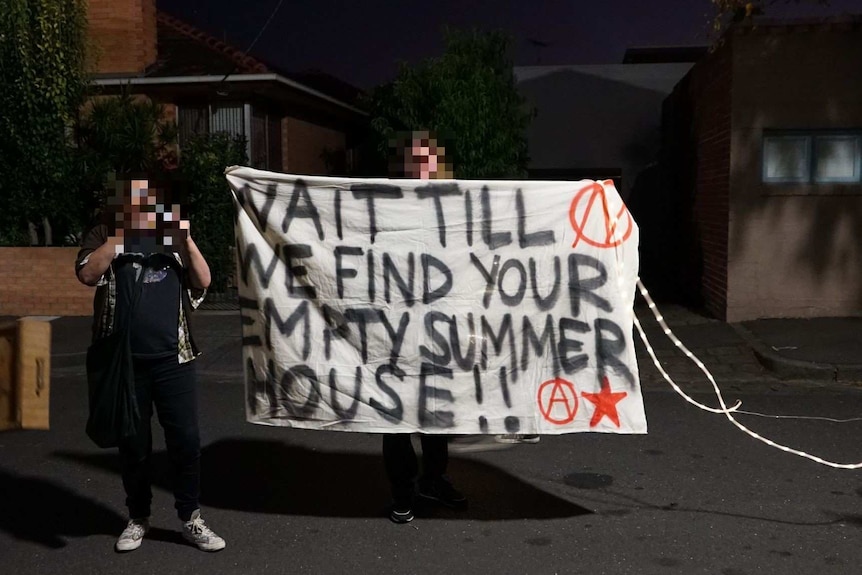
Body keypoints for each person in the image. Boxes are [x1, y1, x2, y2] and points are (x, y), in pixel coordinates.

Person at [75, 175, 225, 552]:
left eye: (147, 198)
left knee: (186, 441)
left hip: (174, 359)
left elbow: (203, 280)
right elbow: (87, 273)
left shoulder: (170, 239)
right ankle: (138, 517)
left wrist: (185, 238)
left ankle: (191, 518)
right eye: (133, 199)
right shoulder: (103, 234)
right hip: (125, 364)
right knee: (134, 445)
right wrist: (120, 236)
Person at [382, 131, 466, 524]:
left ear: (441, 165)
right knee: (395, 414)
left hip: (439, 328)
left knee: (436, 413)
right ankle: (403, 489)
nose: (422, 166)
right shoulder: (382, 206)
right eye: (415, 159)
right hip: (394, 330)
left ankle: (433, 479)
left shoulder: (459, 205)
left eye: (429, 158)